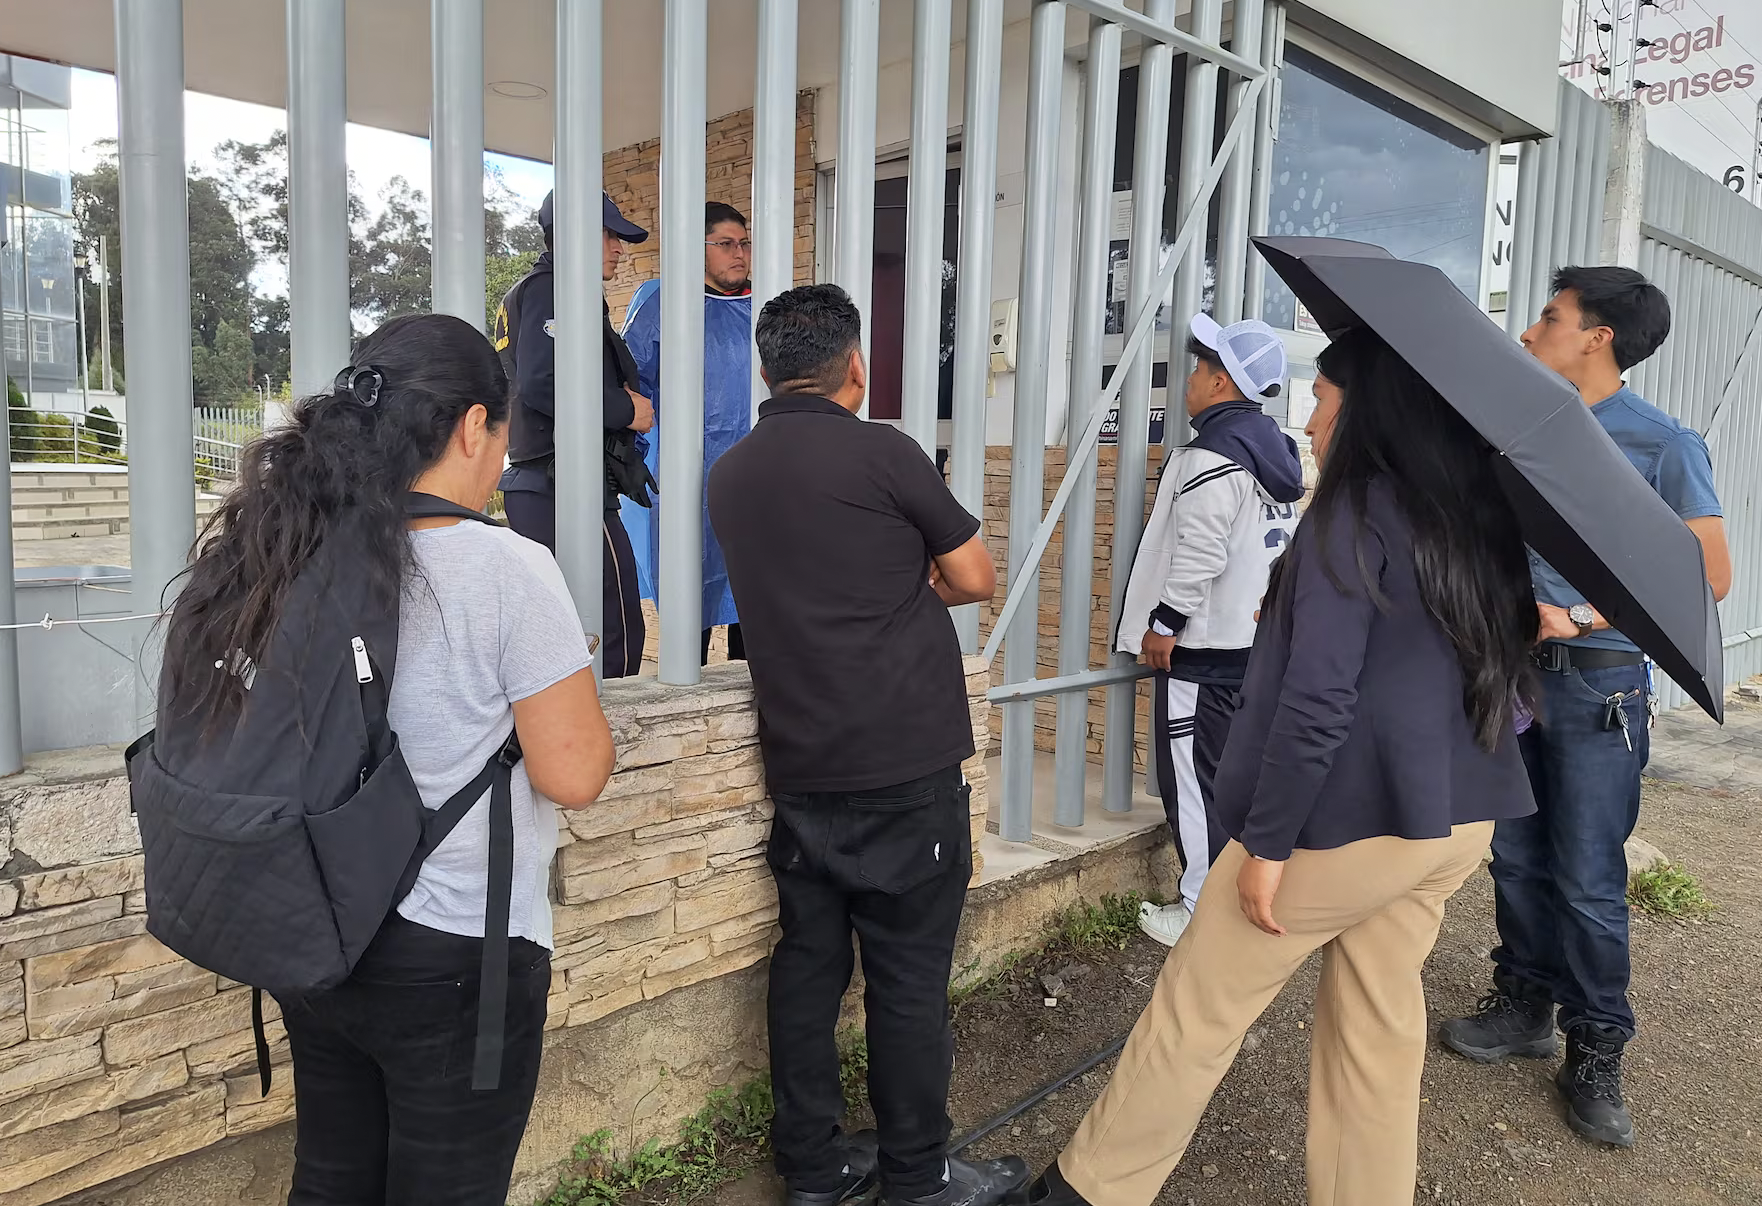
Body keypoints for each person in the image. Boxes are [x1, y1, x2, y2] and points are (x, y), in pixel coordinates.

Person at [1015, 327, 1540, 1206]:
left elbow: (1317, 700)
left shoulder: (1353, 512)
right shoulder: (1473, 512)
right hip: (1453, 817)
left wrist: (1267, 842)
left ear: (1367, 413)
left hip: (1344, 827)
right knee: (1376, 1031)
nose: (1308, 419)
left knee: (1196, 1009)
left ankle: (1085, 1193)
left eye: (1324, 401)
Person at [160, 314, 617, 1204]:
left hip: (320, 927)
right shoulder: (507, 568)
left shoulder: (290, 543)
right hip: (456, 949)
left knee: (333, 1179)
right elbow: (576, 773)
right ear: (473, 426)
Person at [707, 285, 1026, 1206]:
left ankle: (809, 1169)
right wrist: (908, 574)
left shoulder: (730, 473)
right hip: (903, 763)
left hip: (801, 763)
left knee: (808, 968)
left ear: (765, 368)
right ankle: (917, 1179)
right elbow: (974, 575)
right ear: (856, 366)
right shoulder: (882, 449)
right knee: (909, 977)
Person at [1441, 266, 1730, 1149]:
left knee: (1589, 879)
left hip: (1599, 683)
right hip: (1512, 673)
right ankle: (1525, 1002)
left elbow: (1708, 573)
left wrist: (1589, 611)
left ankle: (1597, 1045)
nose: (1531, 331)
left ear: (1597, 336)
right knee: (1517, 858)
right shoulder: (1516, 433)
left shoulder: (1660, 445)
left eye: (1550, 316)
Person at [1117, 314, 1303, 947]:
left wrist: (1164, 625)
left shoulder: (1212, 455)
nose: (1191, 381)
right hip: (1253, 643)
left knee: (1193, 782)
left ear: (1222, 381)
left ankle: (1199, 907)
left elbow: (1200, 553)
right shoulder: (1275, 451)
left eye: (1198, 370)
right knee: (1228, 775)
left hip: (1203, 648)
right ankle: (1228, 894)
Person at [494, 189, 654, 677]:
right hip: (562, 488)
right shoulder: (552, 289)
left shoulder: (540, 289)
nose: (618, 249)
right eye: (609, 235)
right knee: (618, 633)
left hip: (545, 485)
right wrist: (627, 409)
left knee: (564, 635)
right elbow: (544, 382)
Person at [622, 200, 755, 664]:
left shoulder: (765, 307)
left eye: (744, 244)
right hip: (685, 482)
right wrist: (627, 462)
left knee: (754, 604)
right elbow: (629, 384)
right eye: (724, 244)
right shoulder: (664, 305)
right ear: (696, 250)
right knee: (687, 600)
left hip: (759, 479)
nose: (738, 254)